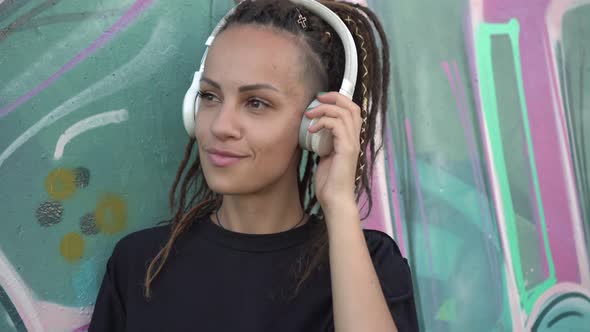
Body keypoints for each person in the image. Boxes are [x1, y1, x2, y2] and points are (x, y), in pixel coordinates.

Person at [88, 0, 419, 331]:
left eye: (256, 103)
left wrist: (340, 204)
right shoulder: (140, 265)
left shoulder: (368, 265)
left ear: (313, 127)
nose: (220, 126)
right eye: (210, 96)